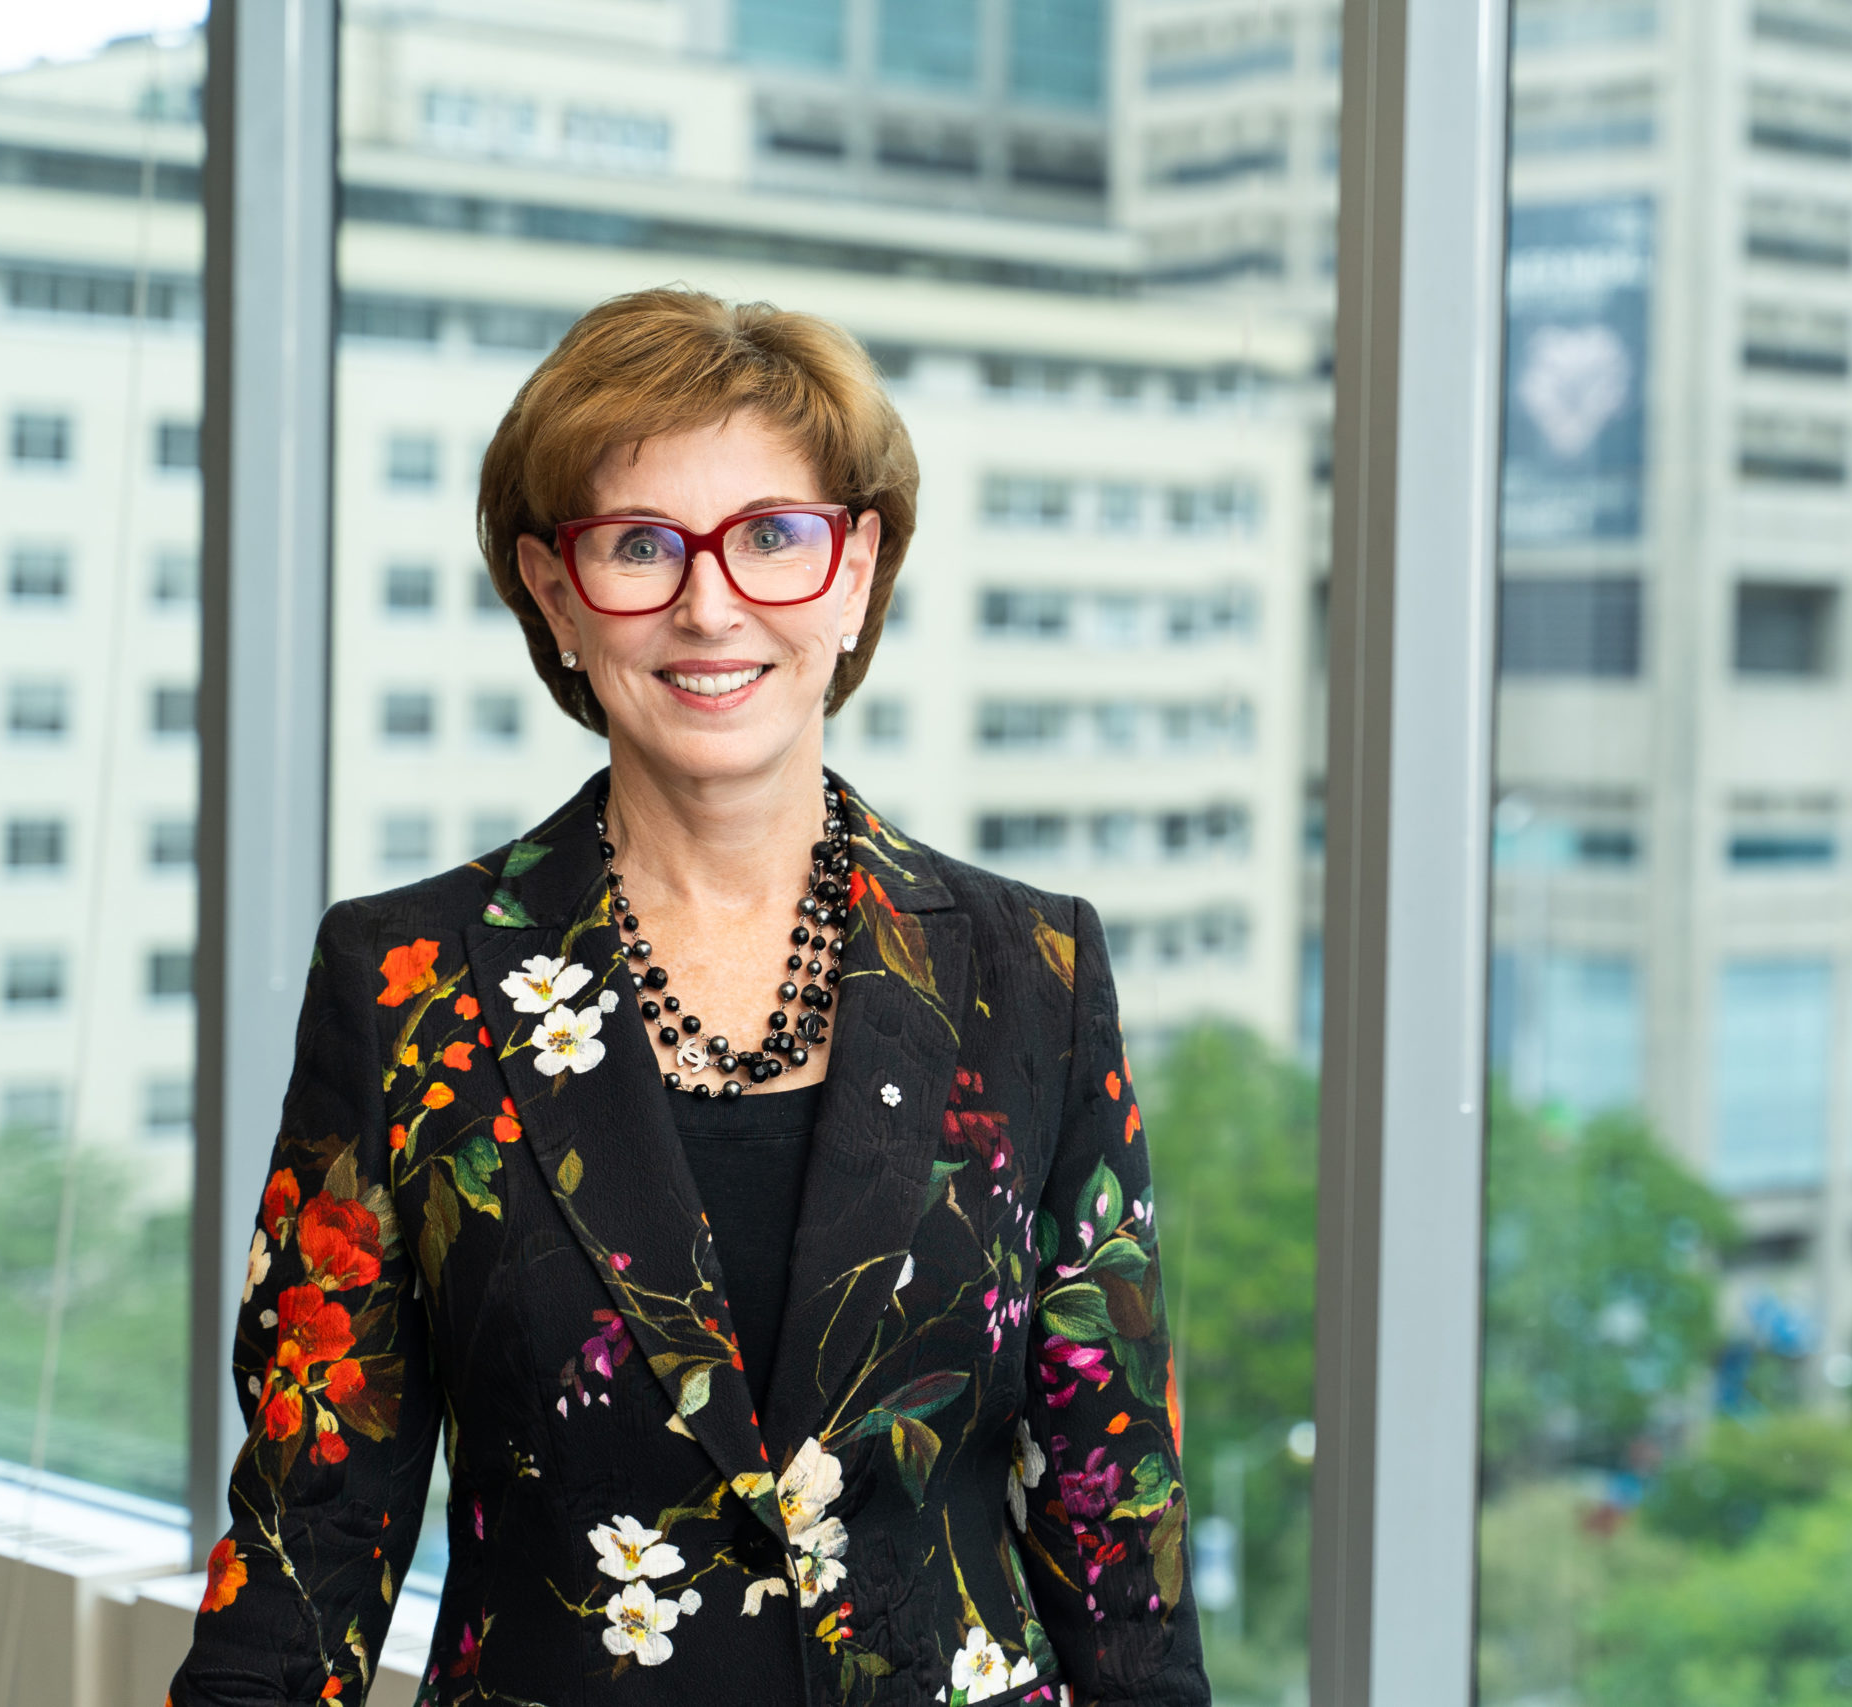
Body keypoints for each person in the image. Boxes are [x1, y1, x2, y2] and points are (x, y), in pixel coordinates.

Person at [172, 289, 1207, 1706]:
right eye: (640, 547)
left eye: (773, 537)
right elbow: (308, 1551)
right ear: (553, 590)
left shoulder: (1033, 974)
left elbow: (1116, 1534)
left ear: (855, 573)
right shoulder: (401, 984)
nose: (709, 602)